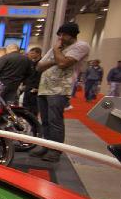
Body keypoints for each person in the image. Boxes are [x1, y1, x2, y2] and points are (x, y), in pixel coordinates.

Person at [30, 22, 89, 163]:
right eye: (59, 35)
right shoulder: (56, 49)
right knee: (45, 120)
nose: (61, 38)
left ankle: (55, 150)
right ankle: (46, 145)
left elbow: (63, 64)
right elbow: (39, 66)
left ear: (72, 35)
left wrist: (57, 52)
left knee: (55, 120)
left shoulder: (80, 46)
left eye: (64, 35)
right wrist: (57, 58)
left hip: (60, 89)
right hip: (44, 87)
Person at [21, 47, 42, 116]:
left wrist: (37, 87)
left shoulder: (41, 63)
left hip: (35, 88)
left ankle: (33, 123)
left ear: (38, 53)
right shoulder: (31, 63)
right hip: (28, 86)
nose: (30, 54)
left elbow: (40, 76)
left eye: (33, 53)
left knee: (33, 107)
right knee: (26, 106)